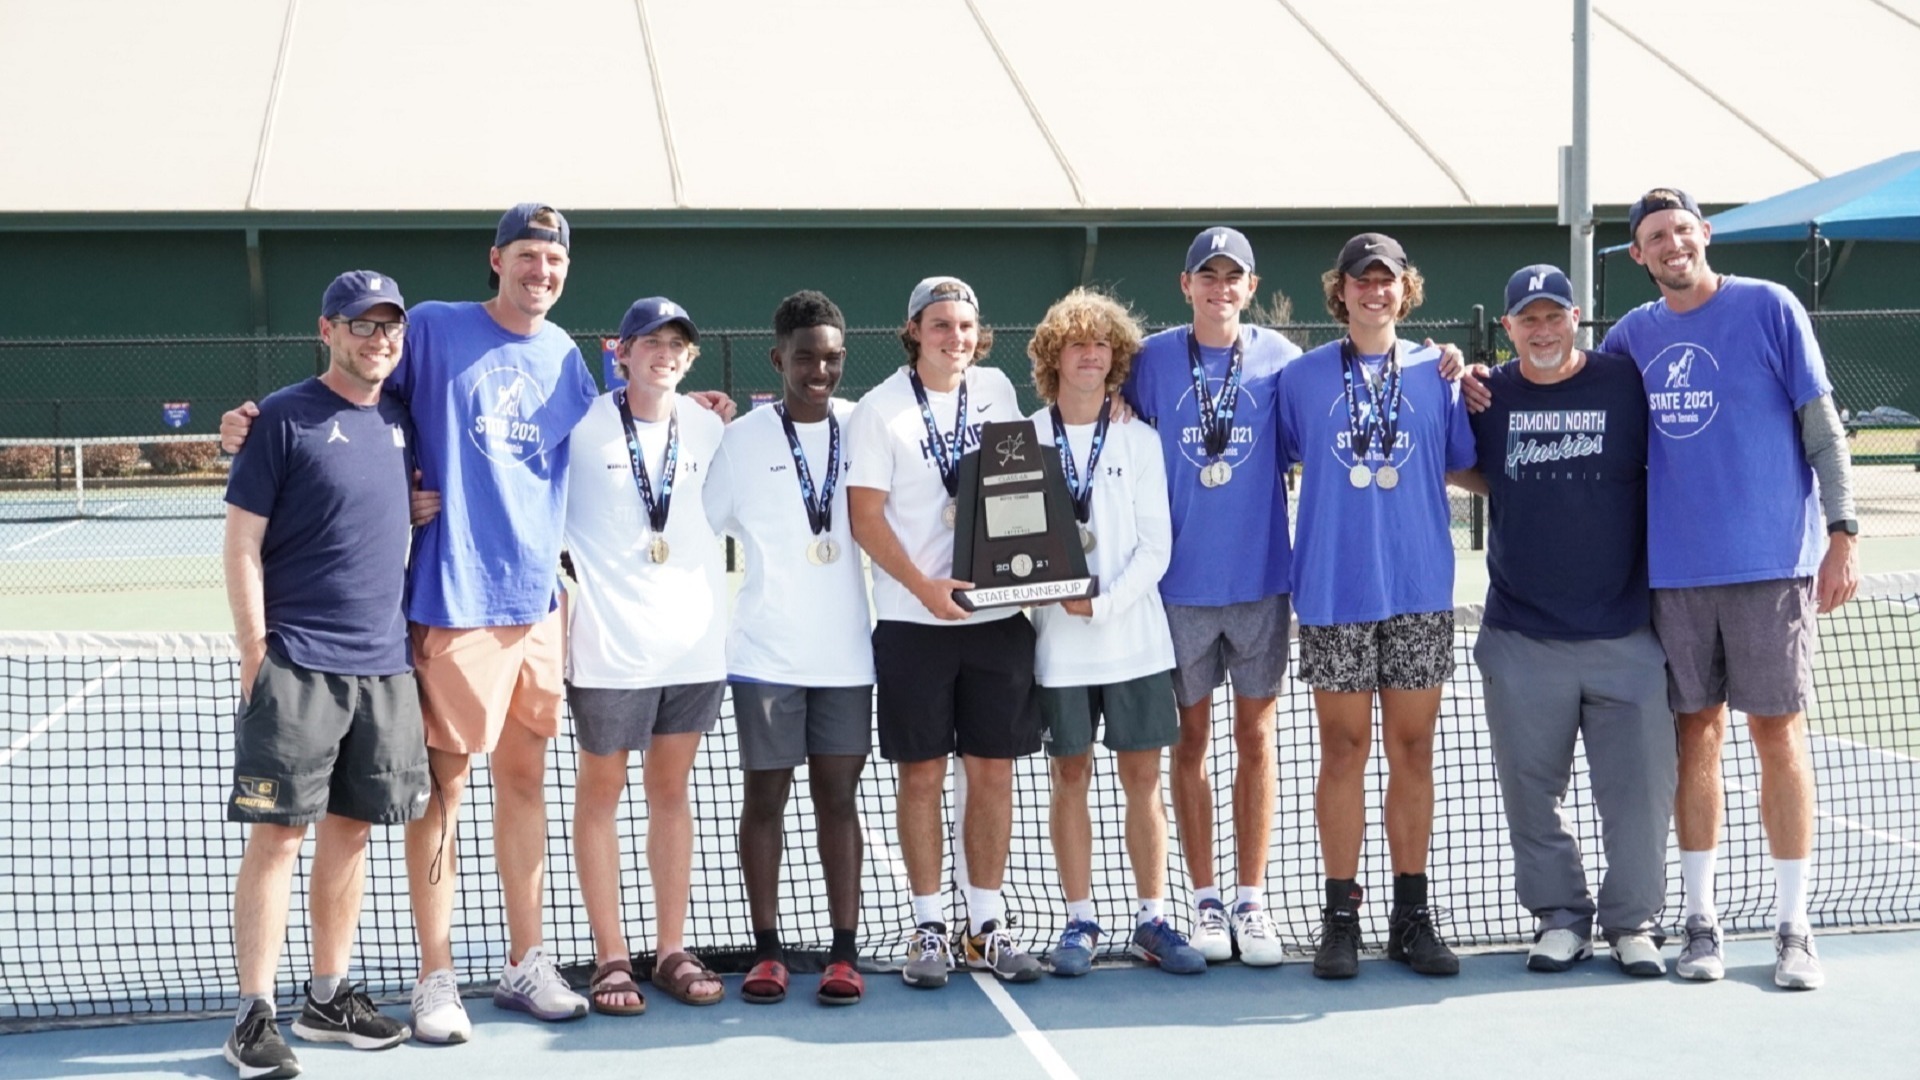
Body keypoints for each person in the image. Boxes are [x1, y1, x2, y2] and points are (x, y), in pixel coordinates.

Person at [1605, 188, 1858, 989]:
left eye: (1682, 229)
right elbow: (1570, 394)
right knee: (1696, 739)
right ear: (1639, 255)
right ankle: (1700, 923)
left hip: (1772, 568)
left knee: (1778, 736)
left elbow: (1823, 429)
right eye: (1656, 237)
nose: (1672, 244)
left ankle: (1794, 930)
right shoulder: (1629, 337)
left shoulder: (1770, 307)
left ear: (1704, 234)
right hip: (1675, 577)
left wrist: (1843, 534)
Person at [222, 271, 428, 1078]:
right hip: (299, 663)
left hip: (385, 668)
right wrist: (254, 650)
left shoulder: (403, 417)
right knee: (279, 836)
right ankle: (253, 1014)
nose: (378, 339)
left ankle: (328, 996)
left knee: (352, 833)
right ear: (328, 330)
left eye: (389, 326)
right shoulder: (280, 418)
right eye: (362, 324)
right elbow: (242, 542)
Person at [1453, 264, 1676, 977]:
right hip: (1521, 638)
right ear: (1509, 327)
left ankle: (1633, 923)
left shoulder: (1626, 384)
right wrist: (1454, 373)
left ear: (1576, 319)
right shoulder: (1486, 397)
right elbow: (1459, 462)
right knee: (1530, 799)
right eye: (1529, 319)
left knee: (1640, 800)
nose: (1543, 330)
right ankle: (1560, 918)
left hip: (1626, 636)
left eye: (1555, 316)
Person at [1278, 233, 1475, 980]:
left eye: (1386, 279)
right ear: (1342, 291)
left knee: (1414, 752)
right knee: (1342, 752)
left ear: (1405, 289)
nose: (1374, 290)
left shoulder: (1438, 372)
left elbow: (1466, 462)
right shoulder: (1300, 378)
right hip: (1334, 591)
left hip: (1419, 591)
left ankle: (1410, 918)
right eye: (1361, 280)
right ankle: (1340, 919)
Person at [846, 276, 1044, 986]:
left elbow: (1018, 488)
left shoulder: (997, 390)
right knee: (923, 774)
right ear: (913, 332)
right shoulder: (879, 411)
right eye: (939, 325)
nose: (954, 337)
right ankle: (929, 926)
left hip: (998, 619)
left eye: (964, 325)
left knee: (993, 771)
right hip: (914, 621)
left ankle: (985, 925)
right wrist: (922, 586)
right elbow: (865, 517)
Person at [1119, 227, 1299, 966]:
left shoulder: (1282, 359)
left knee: (1257, 740)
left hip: (1261, 582)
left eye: (1233, 277)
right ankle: (1204, 901)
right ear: (1185, 285)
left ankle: (1251, 899)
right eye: (1208, 275)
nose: (1220, 288)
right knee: (1188, 743)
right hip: (1179, 588)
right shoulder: (1150, 362)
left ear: (1251, 288)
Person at [1025, 289, 1205, 977]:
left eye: (1102, 344)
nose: (1091, 355)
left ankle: (1151, 918)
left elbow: (1157, 548)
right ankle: (1079, 919)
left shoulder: (1140, 438)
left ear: (1117, 358)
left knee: (1143, 779)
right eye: (1077, 343)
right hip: (1058, 650)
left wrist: (1099, 603)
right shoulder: (1023, 440)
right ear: (1054, 357)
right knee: (1068, 776)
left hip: (1135, 642)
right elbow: (1011, 545)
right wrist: (1051, 593)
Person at [705, 290, 873, 1006]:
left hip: (847, 656)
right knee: (765, 799)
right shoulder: (740, 441)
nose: (819, 371)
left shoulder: (863, 427)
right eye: (805, 358)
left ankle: (844, 952)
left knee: (839, 799)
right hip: (764, 657)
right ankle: (767, 950)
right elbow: (703, 525)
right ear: (778, 360)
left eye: (831, 358)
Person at [565, 297, 729, 1013]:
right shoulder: (579, 425)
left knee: (672, 792)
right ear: (620, 351)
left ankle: (669, 950)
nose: (664, 353)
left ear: (690, 358)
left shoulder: (711, 426)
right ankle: (610, 957)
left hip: (693, 648)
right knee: (601, 795)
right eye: (650, 342)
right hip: (609, 647)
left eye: (677, 344)